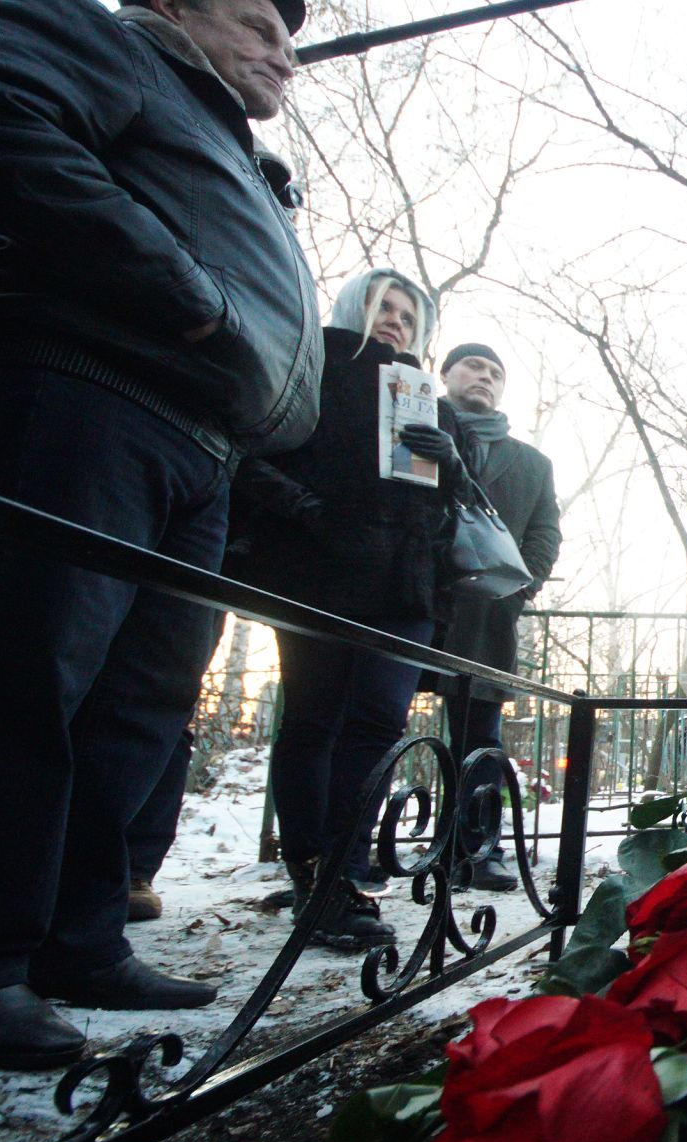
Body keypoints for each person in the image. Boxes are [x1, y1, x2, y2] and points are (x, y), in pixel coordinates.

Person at [0, 0, 317, 1071]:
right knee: (32, 674)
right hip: (91, 393)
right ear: (172, 7)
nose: (286, 53)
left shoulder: (216, 134)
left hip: (203, 447)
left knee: (139, 708)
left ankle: (79, 937)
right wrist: (187, 297)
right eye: (260, 22)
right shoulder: (114, 48)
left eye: (293, 37)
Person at [230, 270, 457, 952]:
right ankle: (313, 873)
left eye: (408, 316)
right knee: (313, 718)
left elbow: (441, 507)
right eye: (383, 307)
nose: (395, 322)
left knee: (379, 719)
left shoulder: (422, 395)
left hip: (404, 585)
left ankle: (345, 867)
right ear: (354, 307)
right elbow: (254, 455)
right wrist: (312, 514)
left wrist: (453, 466)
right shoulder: (313, 368)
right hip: (319, 575)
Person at [434, 342, 561, 891]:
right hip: (412, 597)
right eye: (472, 366)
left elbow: (545, 530)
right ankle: (355, 855)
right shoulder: (409, 424)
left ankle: (478, 849)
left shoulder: (531, 462)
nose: (484, 376)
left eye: (494, 372)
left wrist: (521, 583)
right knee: (377, 721)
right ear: (446, 374)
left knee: (479, 734)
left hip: (486, 612)